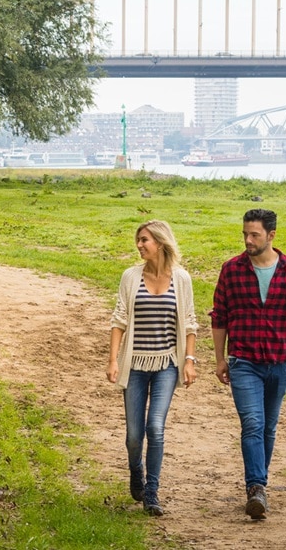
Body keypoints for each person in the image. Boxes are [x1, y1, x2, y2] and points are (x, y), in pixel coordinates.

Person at [211, 208, 286, 520]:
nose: (248, 240)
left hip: (280, 363)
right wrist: (220, 359)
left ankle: (259, 484)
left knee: (268, 427)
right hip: (244, 361)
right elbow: (220, 316)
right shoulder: (231, 270)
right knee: (252, 422)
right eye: (245, 234)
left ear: (271, 235)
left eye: (255, 235)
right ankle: (256, 488)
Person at [107, 220, 199, 516]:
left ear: (160, 242)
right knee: (134, 436)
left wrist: (189, 361)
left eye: (144, 240)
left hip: (166, 364)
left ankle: (152, 492)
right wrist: (113, 360)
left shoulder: (181, 279)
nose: (139, 245)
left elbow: (190, 323)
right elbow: (119, 319)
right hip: (134, 363)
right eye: (138, 240)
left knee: (155, 427)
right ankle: (136, 470)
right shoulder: (131, 277)